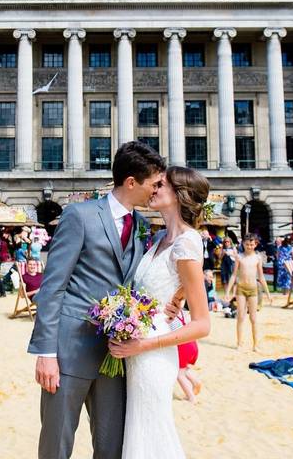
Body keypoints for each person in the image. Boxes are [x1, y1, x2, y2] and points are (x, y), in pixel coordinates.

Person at [29, 141, 168, 459]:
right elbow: (53, 287)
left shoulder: (143, 229)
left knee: (111, 446)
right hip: (69, 351)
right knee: (56, 443)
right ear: (131, 182)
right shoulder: (79, 215)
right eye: (154, 183)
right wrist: (46, 353)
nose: (157, 190)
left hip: (116, 357)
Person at [106, 163, 212, 459]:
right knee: (138, 432)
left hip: (151, 352)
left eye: (161, 184)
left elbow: (203, 324)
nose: (152, 187)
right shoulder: (159, 240)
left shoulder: (187, 242)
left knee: (152, 432)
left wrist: (145, 344)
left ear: (179, 194)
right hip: (136, 348)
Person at [227, 234, 271, 351]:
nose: (249, 246)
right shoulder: (239, 257)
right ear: (243, 244)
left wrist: (268, 294)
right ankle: (239, 343)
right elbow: (234, 275)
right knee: (240, 317)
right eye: (247, 244)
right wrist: (228, 292)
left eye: (252, 244)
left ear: (255, 244)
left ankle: (255, 345)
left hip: (253, 289)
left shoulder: (257, 258)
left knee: (253, 318)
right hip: (241, 289)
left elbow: (261, 277)